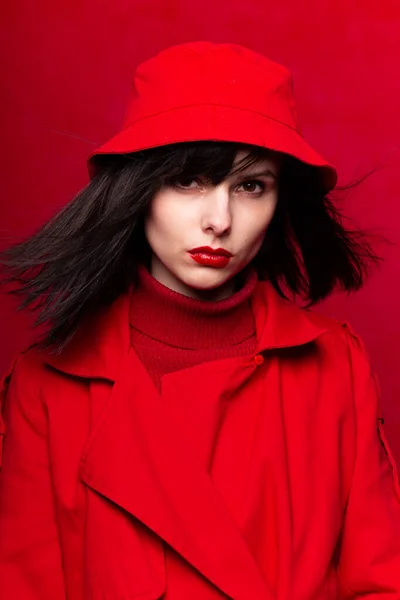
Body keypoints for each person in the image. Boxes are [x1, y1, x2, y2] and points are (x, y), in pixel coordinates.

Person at [0, 40, 399, 600]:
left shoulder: (336, 365)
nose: (220, 219)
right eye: (188, 180)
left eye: (251, 186)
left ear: (278, 201)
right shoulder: (48, 388)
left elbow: (380, 582)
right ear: (137, 190)